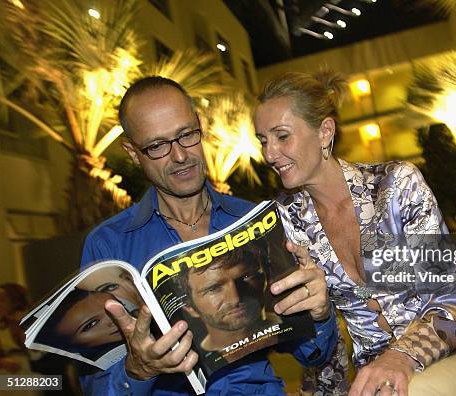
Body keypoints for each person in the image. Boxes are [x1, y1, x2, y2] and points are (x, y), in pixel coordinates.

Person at [254, 71, 456, 396]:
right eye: (263, 141)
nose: (269, 154)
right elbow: (320, 341)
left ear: (324, 132)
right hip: (375, 381)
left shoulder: (397, 187)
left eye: (282, 136)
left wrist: (401, 356)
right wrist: (318, 318)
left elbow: (455, 302)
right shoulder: (287, 220)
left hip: (455, 352)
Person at [80, 76, 338, 395]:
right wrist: (137, 369)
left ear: (200, 126)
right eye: (158, 145)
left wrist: (320, 314)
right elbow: (95, 384)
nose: (180, 156)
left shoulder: (253, 220)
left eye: (186, 135)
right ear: (133, 152)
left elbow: (311, 353)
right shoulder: (110, 244)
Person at [178, 240, 282, 369]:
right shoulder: (192, 365)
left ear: (265, 278)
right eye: (213, 289)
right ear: (189, 307)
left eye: (246, 277)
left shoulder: (298, 322)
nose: (235, 298)